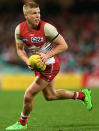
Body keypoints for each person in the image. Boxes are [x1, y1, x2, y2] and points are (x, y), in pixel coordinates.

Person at [6, 1, 92, 130]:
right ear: (26, 15)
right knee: (50, 96)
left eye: (39, 12)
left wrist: (46, 55)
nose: (37, 16)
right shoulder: (19, 29)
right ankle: (82, 95)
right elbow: (20, 49)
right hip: (38, 65)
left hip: (50, 65)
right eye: (34, 13)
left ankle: (22, 123)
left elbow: (64, 45)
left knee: (29, 94)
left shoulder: (47, 28)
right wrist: (27, 61)